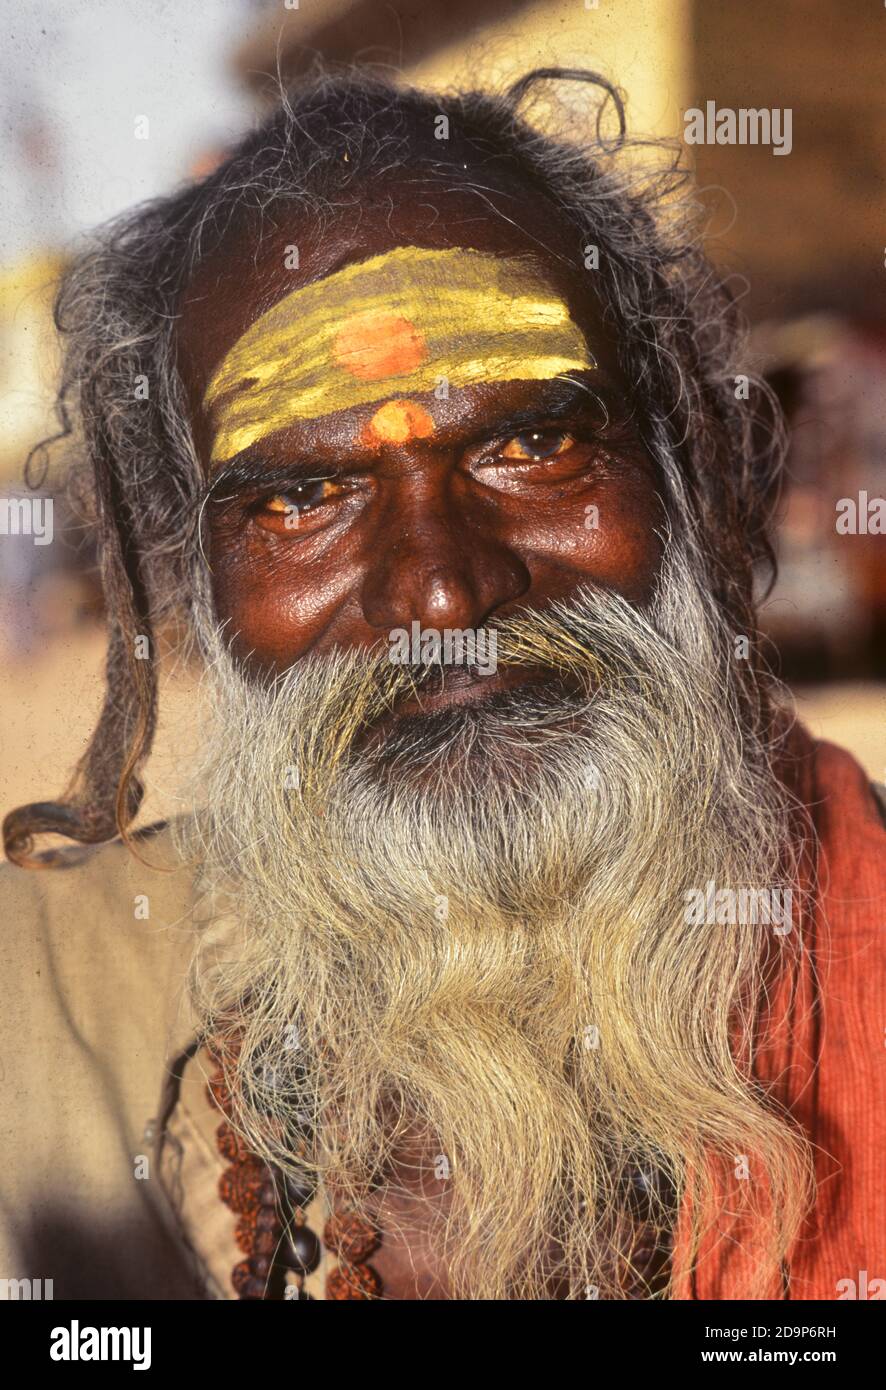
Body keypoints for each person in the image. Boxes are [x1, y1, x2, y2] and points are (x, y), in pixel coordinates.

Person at [2, 67, 884, 1302]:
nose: (439, 592)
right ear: (191, 585)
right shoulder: (41, 1009)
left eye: (531, 444)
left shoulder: (862, 933)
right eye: (303, 497)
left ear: (683, 472)